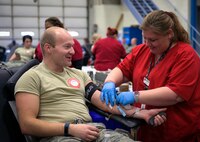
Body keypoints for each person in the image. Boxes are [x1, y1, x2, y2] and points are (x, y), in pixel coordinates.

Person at [15, 27, 167, 142]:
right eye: (67, 47)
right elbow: (27, 125)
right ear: (48, 48)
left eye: (73, 46)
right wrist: (70, 129)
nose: (73, 52)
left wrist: (141, 113)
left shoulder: (79, 74)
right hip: (60, 135)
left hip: (91, 131)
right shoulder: (31, 78)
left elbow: (102, 101)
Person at [100, 10, 200, 142]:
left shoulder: (186, 56)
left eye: (152, 40)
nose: (147, 43)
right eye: (144, 38)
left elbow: (175, 94)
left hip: (179, 130)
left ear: (169, 34)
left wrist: (134, 96)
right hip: (149, 127)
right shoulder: (143, 50)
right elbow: (122, 70)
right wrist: (109, 82)